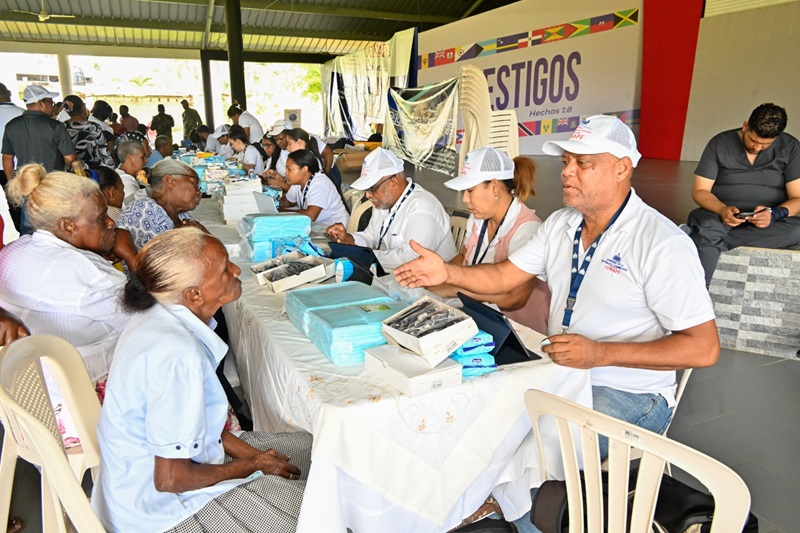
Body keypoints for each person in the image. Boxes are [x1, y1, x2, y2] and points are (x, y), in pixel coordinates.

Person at [393, 116, 719, 514]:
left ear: (622, 168)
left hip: (630, 392)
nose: (566, 171)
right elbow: (504, 276)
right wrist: (447, 273)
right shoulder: (562, 225)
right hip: (561, 372)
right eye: (566, 161)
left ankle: (504, 515)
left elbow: (704, 348)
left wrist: (600, 354)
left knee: (535, 452)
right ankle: (489, 508)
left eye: (583, 163)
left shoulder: (660, 242)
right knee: (476, 421)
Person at [92, 228, 311, 533]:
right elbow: (171, 479)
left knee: (313, 449)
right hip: (164, 513)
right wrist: (252, 466)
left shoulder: (157, 316)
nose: (236, 270)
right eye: (225, 270)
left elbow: (200, 425)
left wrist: (257, 457)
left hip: (146, 485)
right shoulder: (178, 354)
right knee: (322, 511)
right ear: (194, 294)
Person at [0, 163, 130, 444]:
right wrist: (131, 255)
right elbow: (154, 323)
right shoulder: (90, 275)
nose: (111, 223)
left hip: (23, 411)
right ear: (68, 226)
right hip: (77, 414)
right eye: (102, 217)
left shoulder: (15, 250)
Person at [432, 147, 550, 333]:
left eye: (470, 190)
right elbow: (464, 257)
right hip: (481, 319)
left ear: (494, 187)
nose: (465, 199)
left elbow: (514, 298)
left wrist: (453, 288)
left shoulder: (528, 229)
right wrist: (437, 274)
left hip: (519, 332)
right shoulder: (478, 219)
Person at [687, 103, 800, 285]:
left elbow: (797, 198)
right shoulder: (719, 143)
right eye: (753, 140)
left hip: (768, 221)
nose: (757, 148)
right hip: (719, 215)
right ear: (746, 126)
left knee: (796, 231)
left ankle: (706, 239)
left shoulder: (791, 147)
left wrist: (774, 214)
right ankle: (699, 292)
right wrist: (722, 209)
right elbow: (700, 191)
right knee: (707, 223)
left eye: (765, 145)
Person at [327, 147, 457, 271]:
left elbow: (411, 259)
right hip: (396, 275)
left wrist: (362, 255)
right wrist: (349, 239)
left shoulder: (421, 209)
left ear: (393, 182)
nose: (367, 195)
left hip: (431, 282)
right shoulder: (385, 203)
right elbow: (371, 237)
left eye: (372, 188)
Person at [2, 85, 77, 234]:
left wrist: (13, 182)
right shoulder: (55, 126)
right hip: (53, 184)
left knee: (28, 227)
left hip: (27, 184)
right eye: (51, 102)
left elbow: (7, 158)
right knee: (55, 226)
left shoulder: (11, 126)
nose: (53, 106)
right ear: (41, 103)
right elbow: (70, 158)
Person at [116, 158, 206, 253]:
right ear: (169, 180)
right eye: (195, 183)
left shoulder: (181, 215)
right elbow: (174, 259)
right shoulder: (144, 211)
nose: (200, 192)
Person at [280, 149, 348, 227]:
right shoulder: (298, 183)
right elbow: (288, 202)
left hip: (335, 228)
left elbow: (310, 216)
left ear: (304, 169)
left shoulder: (320, 184)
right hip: (318, 227)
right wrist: (276, 204)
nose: (286, 173)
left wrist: (281, 211)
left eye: (289, 169)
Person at [62, 95, 115, 168]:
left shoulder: (61, 127)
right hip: (92, 171)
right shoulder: (93, 127)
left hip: (69, 171)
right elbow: (103, 152)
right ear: (83, 107)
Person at [0, 82, 24, 240]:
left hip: (5, 164)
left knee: (13, 202)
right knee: (19, 201)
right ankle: (24, 232)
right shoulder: (21, 114)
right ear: (8, 93)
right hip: (15, 165)